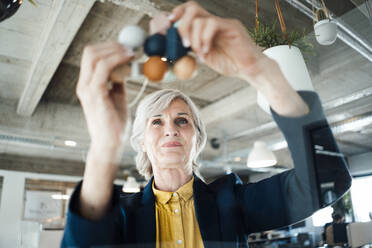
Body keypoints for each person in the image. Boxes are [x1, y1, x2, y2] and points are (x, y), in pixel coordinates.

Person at [61, 2, 351, 247]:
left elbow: (328, 180)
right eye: (157, 122)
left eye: (182, 120)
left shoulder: (232, 202)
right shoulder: (122, 214)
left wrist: (261, 70)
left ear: (197, 140)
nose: (171, 129)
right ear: (141, 142)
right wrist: (104, 144)